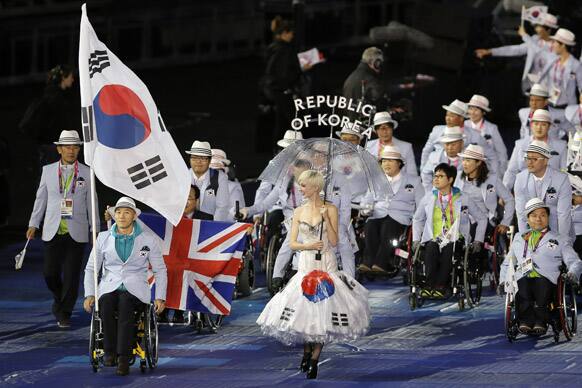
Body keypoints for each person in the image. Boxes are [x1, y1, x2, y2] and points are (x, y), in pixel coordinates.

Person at [256, 170, 370, 379]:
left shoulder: (331, 209)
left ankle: (315, 358)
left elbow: (335, 241)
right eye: (300, 185)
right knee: (307, 311)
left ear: (315, 187)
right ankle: (307, 352)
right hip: (306, 265)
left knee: (322, 312)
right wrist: (308, 245)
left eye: (304, 185)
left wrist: (327, 220)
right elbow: (292, 243)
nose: (301, 189)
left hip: (327, 264)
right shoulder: (298, 212)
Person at [83, 197, 167, 376]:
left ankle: (123, 358)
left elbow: (160, 270)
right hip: (110, 287)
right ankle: (110, 352)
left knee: (126, 304)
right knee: (105, 303)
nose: (121, 216)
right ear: (114, 215)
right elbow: (91, 268)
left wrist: (160, 296)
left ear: (134, 216)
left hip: (136, 289)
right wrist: (89, 293)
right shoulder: (103, 238)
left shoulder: (148, 239)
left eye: (126, 212)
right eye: (118, 212)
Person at [27, 130, 99, 328]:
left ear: (79, 149)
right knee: (49, 274)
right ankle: (60, 299)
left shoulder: (86, 172)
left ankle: (64, 312)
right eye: (67, 146)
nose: (71, 150)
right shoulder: (49, 170)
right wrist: (34, 223)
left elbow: (92, 202)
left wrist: (95, 229)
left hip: (77, 230)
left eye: (75, 147)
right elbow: (41, 199)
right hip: (53, 228)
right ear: (59, 149)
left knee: (72, 275)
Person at [499, 198, 582, 335]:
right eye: (534, 216)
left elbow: (575, 261)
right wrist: (503, 281)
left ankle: (539, 321)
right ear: (527, 218)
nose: (539, 219)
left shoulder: (560, 239)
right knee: (522, 284)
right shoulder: (519, 238)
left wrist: (573, 273)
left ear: (548, 217)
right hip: (523, 276)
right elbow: (508, 263)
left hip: (548, 279)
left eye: (543, 215)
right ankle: (526, 320)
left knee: (540, 283)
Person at [412, 163, 486, 298]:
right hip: (434, 237)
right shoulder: (429, 197)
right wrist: (416, 239)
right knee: (431, 249)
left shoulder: (463, 198)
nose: (436, 179)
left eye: (440, 176)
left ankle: (441, 285)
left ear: (450, 180)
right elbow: (417, 219)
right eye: (435, 176)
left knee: (449, 250)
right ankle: (429, 285)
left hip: (455, 238)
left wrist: (478, 240)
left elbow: (482, 218)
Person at [359, 146, 423, 273]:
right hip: (377, 214)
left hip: (400, 217)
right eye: (384, 161)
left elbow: (422, 203)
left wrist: (417, 219)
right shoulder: (376, 180)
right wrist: (365, 209)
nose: (386, 164)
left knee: (388, 226)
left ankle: (383, 263)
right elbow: (366, 199)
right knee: (370, 225)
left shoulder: (414, 181)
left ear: (399, 163)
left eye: (390, 160)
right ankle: (368, 262)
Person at [474, 12, 558, 93]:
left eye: (539, 27)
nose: (536, 29)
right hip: (532, 85)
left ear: (549, 29)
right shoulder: (535, 39)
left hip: (549, 87)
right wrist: (490, 51)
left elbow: (544, 55)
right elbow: (515, 49)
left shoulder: (558, 45)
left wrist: (525, 36)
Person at [513, 140, 573, 244]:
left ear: (545, 161)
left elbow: (563, 215)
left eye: (534, 159)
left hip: (557, 231)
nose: (529, 162)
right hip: (531, 233)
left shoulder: (561, 179)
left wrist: (562, 243)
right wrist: (527, 242)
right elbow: (521, 214)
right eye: (528, 158)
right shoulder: (520, 179)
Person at [19, 65, 78, 167]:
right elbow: (59, 124)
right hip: (53, 147)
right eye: (70, 76)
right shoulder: (57, 98)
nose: (73, 79)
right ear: (63, 78)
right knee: (54, 177)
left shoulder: (51, 95)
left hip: (48, 146)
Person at [261, 16, 309, 139]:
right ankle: (292, 149)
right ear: (284, 33)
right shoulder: (284, 50)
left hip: (274, 90)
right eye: (291, 33)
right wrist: (302, 69)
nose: (292, 36)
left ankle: (277, 150)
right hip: (283, 91)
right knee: (295, 123)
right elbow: (285, 75)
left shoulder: (272, 48)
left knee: (281, 123)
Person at [420, 99, 498, 170]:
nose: (448, 118)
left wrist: (493, 176)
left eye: (452, 116)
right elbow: (426, 152)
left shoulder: (475, 135)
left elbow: (491, 156)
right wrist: (424, 172)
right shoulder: (437, 130)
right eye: (447, 115)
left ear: (461, 119)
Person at [456, 145, 515, 237]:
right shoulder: (457, 177)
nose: (464, 163)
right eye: (463, 160)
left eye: (468, 160)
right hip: (460, 219)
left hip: (484, 221)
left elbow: (509, 200)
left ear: (479, 162)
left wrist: (505, 222)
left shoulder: (492, 180)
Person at [504, 109, 567, 189]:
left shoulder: (560, 146)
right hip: (525, 190)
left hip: (552, 190)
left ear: (549, 126)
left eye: (543, 124)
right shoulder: (520, 144)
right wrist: (505, 192)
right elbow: (511, 171)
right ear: (531, 125)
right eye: (536, 124)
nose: (539, 128)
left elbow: (564, 172)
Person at [186, 140, 230, 221]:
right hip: (187, 225)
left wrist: (212, 227)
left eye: (203, 158)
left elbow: (222, 207)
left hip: (210, 225)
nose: (198, 161)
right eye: (195, 157)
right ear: (190, 159)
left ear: (209, 161)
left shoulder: (219, 177)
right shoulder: (183, 176)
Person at [537, 28, 582, 108]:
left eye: (555, 42)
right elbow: (537, 50)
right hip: (548, 106)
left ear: (563, 45)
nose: (552, 44)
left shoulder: (576, 65)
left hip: (566, 110)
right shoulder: (552, 60)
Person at [465, 95, 508, 172]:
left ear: (483, 112)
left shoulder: (492, 128)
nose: (472, 112)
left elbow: (502, 152)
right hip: (466, 166)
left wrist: (501, 173)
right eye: (470, 109)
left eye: (476, 110)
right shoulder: (464, 125)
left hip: (487, 168)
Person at [343, 47, 386, 113]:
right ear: (376, 62)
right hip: (366, 121)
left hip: (351, 122)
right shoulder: (371, 80)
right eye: (380, 62)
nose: (381, 65)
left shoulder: (350, 78)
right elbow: (380, 105)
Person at [421, 126, 465, 192]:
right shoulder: (434, 156)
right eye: (447, 144)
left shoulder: (468, 158)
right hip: (438, 196)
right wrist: (430, 192)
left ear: (461, 144)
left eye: (453, 144)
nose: (450, 148)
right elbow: (425, 174)